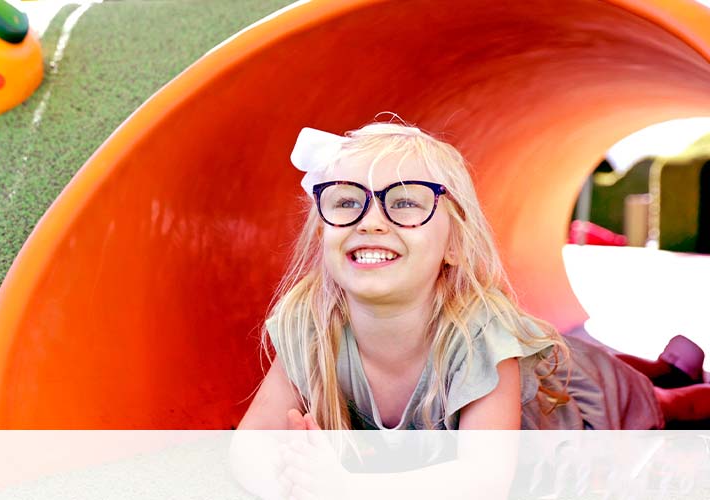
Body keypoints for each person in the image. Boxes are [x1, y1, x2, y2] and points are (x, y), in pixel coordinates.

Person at [229, 120, 710, 498]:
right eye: (348, 202)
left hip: (574, 402)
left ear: (454, 245)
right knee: (591, 362)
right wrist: (297, 484)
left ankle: (674, 376)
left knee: (661, 403)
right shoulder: (310, 324)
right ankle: (669, 364)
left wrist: (352, 490)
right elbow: (247, 448)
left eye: (405, 204)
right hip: (546, 364)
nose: (370, 222)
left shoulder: (479, 334)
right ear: (322, 231)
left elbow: (483, 481)